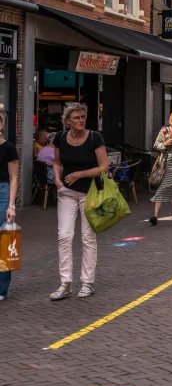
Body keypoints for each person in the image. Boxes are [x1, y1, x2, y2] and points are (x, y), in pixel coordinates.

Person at [50, 103, 109, 300]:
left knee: (87, 237)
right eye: (76, 117)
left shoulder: (94, 137)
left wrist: (80, 174)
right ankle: (65, 283)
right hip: (66, 192)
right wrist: (58, 180)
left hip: (90, 193)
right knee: (64, 236)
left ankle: (87, 282)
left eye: (83, 116)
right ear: (68, 121)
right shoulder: (60, 138)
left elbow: (103, 167)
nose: (81, 120)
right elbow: (57, 162)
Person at [0, 111, 18, 301]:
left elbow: (13, 178)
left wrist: (11, 205)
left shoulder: (9, 148)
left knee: (4, 240)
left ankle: (2, 289)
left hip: (2, 193)